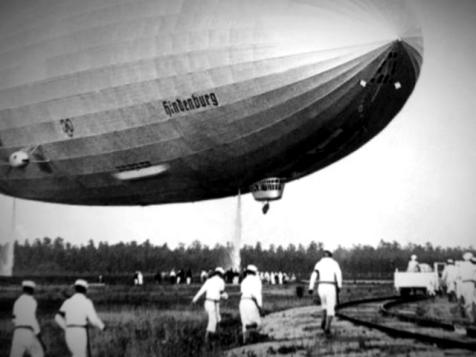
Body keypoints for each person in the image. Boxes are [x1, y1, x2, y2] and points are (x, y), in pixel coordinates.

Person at [55, 279, 106, 357]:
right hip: (80, 331)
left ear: (75, 289)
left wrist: (66, 328)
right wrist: (102, 326)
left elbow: (57, 317)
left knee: (77, 354)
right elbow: (93, 319)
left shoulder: (68, 301)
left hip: (69, 332)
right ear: (86, 290)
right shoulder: (87, 302)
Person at [308, 250, 342, 335]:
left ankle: (323, 319)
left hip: (321, 287)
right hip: (330, 286)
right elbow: (339, 274)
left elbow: (314, 275)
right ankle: (327, 327)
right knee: (331, 308)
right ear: (331, 256)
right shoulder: (334, 263)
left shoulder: (319, 263)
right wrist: (339, 286)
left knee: (324, 305)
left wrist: (311, 287)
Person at [191, 267, 228, 343]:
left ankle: (216, 335)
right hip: (214, 303)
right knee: (213, 320)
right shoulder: (221, 281)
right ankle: (207, 338)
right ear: (221, 274)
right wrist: (226, 296)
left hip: (208, 302)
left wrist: (194, 300)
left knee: (217, 318)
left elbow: (201, 291)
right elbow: (221, 293)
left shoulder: (209, 280)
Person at [10, 280, 44, 357]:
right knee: (39, 354)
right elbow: (32, 319)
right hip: (28, 332)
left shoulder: (17, 301)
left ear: (23, 289)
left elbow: (13, 319)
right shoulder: (32, 301)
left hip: (17, 332)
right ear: (32, 290)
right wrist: (38, 334)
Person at [239, 264, 263, 344]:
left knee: (245, 323)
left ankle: (244, 340)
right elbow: (257, 295)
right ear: (254, 272)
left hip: (242, 302)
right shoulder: (257, 280)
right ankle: (253, 340)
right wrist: (260, 307)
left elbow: (242, 292)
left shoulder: (243, 281)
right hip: (251, 301)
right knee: (258, 324)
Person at [458, 252, 476, 322]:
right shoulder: (473, 266)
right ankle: (471, 319)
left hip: (462, 284)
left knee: (466, 300)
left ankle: (468, 316)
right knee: (470, 301)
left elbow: (458, 276)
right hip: (470, 283)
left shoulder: (461, 265)